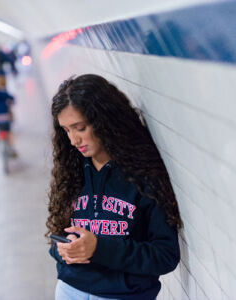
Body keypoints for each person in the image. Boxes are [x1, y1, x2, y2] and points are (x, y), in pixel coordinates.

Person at [46, 74, 182, 300]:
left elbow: (165, 256)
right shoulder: (71, 171)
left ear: (105, 121)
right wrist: (62, 250)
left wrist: (99, 248)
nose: (73, 140)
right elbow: (59, 234)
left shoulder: (144, 175)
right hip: (69, 290)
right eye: (66, 130)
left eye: (79, 128)